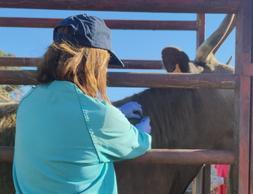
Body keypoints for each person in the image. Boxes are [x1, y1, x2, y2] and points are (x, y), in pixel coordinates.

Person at [12, 14, 152, 194]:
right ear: (95, 62)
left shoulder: (28, 102)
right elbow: (137, 144)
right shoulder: (99, 116)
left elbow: (71, 127)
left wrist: (115, 114)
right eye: (106, 61)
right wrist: (142, 129)